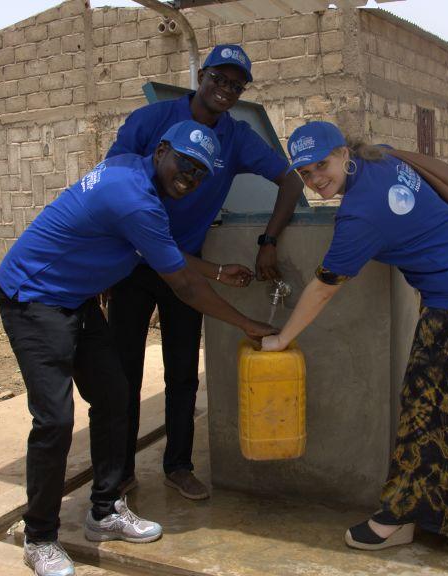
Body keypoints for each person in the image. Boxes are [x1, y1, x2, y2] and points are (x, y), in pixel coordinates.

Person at [0, 120, 276, 576]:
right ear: (162, 149)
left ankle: (104, 510)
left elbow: (157, 246)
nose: (191, 177)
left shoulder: (130, 170)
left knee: (115, 398)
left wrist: (218, 270)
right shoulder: (134, 198)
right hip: (34, 297)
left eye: (201, 172)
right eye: (185, 163)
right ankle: (39, 536)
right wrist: (246, 323)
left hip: (75, 298)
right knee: (55, 419)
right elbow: (183, 286)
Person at [261, 122, 448, 552]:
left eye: (322, 165)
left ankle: (401, 517)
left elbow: (323, 288)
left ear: (342, 153)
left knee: (426, 413)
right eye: (305, 173)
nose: (317, 179)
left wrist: (282, 340)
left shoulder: (360, 212)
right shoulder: (380, 157)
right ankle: (443, 513)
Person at [105, 44, 303, 500]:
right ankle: (118, 471)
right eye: (219, 79)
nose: (226, 90)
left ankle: (178, 465)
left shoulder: (236, 138)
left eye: (237, 85)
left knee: (181, 371)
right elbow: (114, 178)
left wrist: (269, 240)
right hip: (132, 262)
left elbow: (291, 181)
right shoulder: (151, 121)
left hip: (184, 269)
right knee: (123, 372)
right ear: (201, 76)